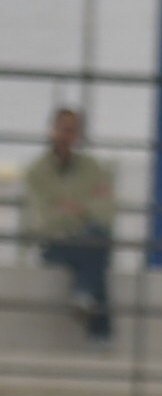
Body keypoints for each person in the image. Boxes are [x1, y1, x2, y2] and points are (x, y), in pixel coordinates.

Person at [22, 106, 115, 345]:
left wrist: (69, 208)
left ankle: (85, 299)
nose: (67, 135)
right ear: (52, 130)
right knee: (96, 249)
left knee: (96, 240)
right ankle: (98, 330)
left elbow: (106, 211)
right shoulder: (36, 171)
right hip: (54, 243)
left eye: (73, 130)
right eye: (63, 129)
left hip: (86, 238)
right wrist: (85, 208)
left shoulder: (92, 167)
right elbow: (43, 220)